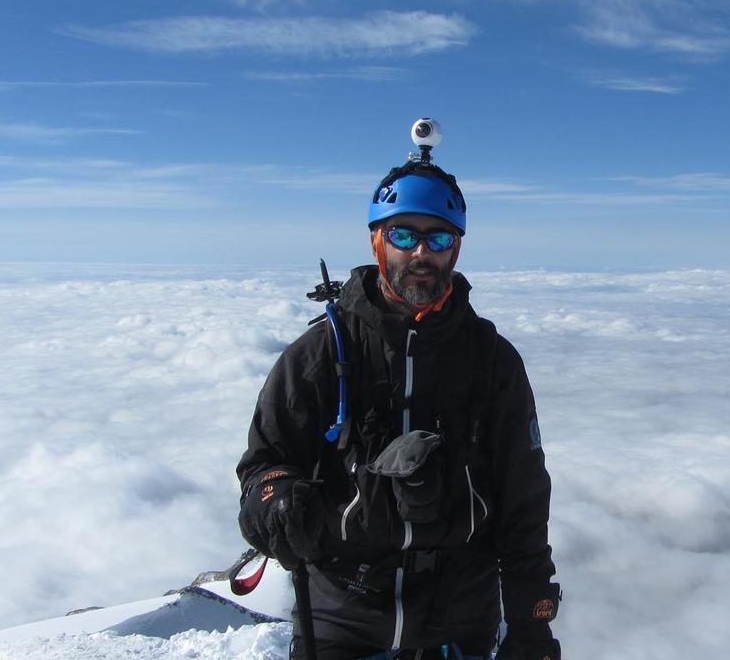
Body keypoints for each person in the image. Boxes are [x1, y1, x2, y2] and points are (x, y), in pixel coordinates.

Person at [236, 141, 561, 660]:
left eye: (437, 237)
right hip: (342, 614)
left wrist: (531, 622)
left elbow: (523, 500)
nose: (420, 254)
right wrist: (276, 501)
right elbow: (263, 466)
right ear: (376, 242)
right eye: (403, 235)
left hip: (463, 612)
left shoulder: (492, 361)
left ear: (455, 248)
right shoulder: (320, 355)